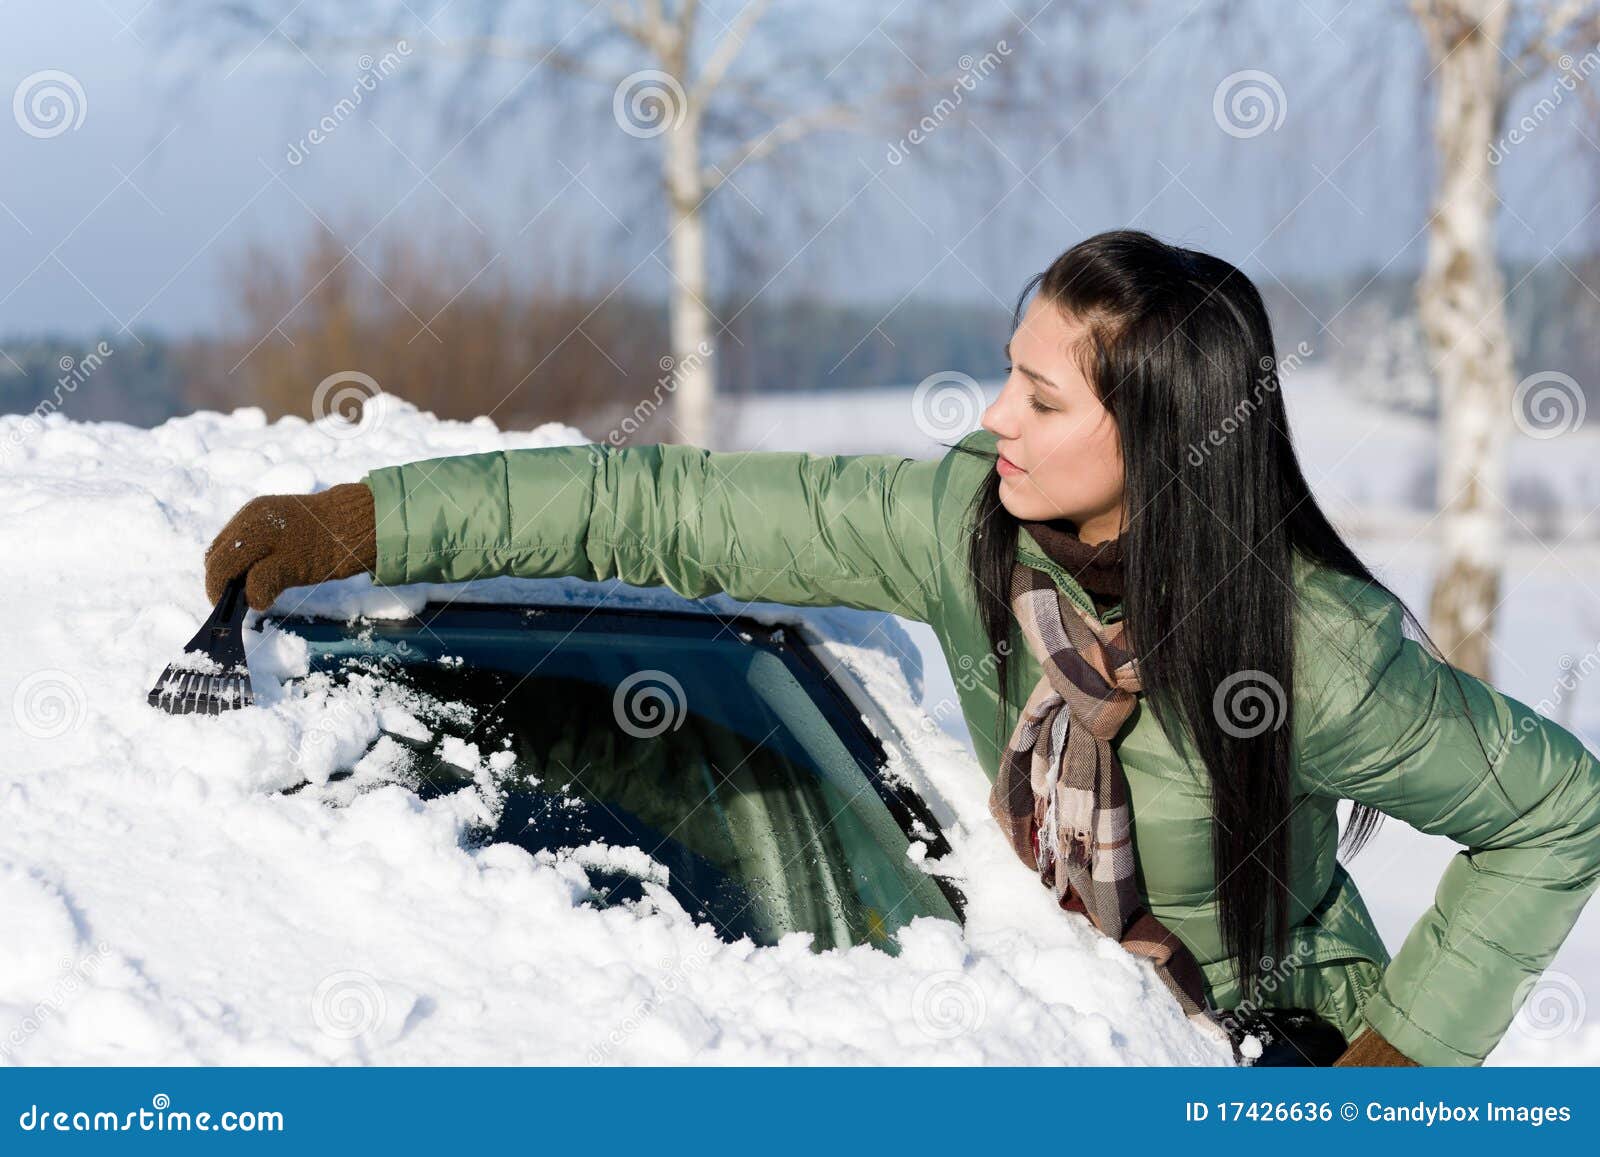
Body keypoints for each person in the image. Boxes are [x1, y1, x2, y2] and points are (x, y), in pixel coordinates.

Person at [204, 228, 1600, 1067]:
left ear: (1155, 441)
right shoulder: (961, 526)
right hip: (1056, 1027)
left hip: (1263, 1052)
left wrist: (1391, 1067)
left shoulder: (1310, 650)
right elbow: (661, 508)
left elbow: (1557, 811)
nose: (994, 414)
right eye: (1006, 368)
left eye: (1038, 395)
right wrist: (363, 519)